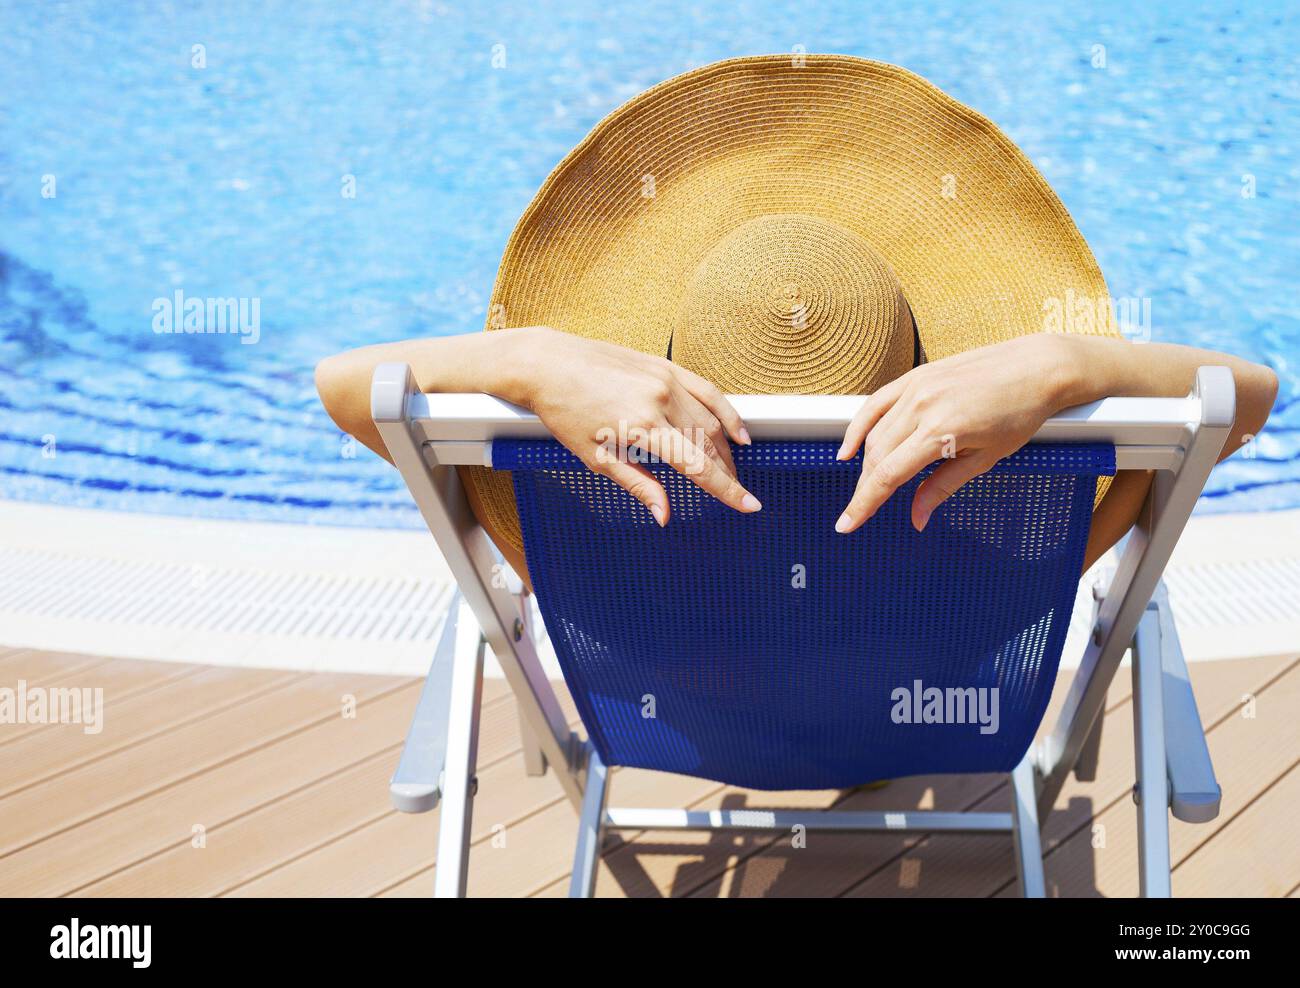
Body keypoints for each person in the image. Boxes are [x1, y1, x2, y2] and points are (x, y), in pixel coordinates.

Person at [314, 56, 1278, 583]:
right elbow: (1245, 401)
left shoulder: (614, 551)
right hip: (919, 703)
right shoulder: (977, 569)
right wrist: (1073, 366)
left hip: (683, 720)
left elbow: (349, 389)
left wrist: (525, 359)